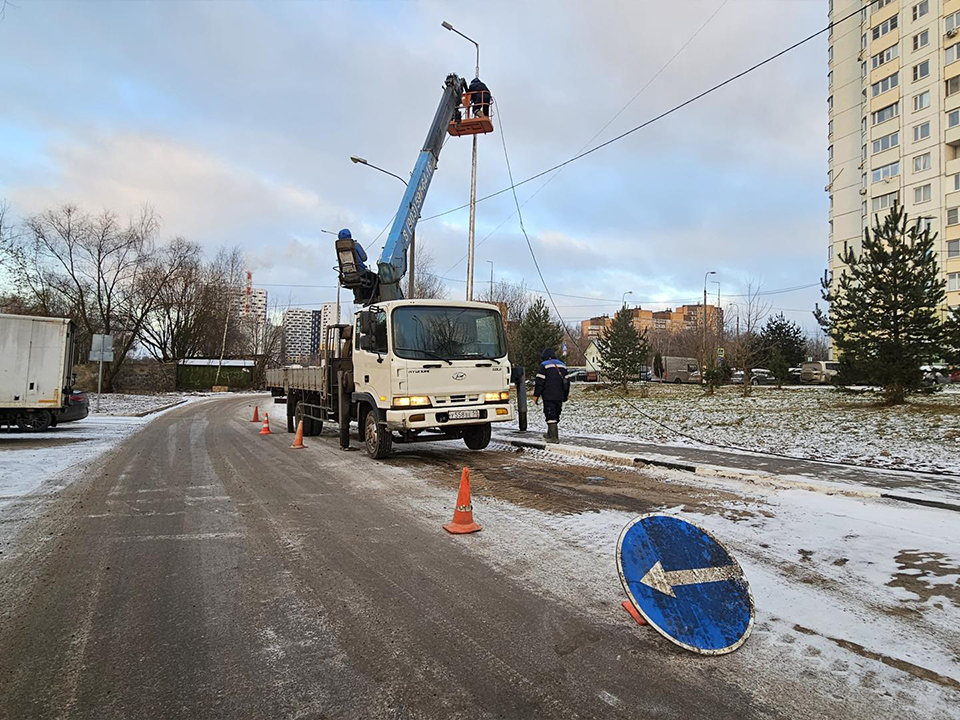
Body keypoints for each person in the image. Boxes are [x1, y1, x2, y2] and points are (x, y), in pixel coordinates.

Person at [533, 348, 569, 444]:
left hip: (548, 395)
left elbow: (539, 382)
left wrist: (536, 395)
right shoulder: (562, 365)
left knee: (550, 414)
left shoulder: (544, 365)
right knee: (556, 414)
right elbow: (567, 383)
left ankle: (554, 437)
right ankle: (549, 434)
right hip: (559, 395)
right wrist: (565, 396)